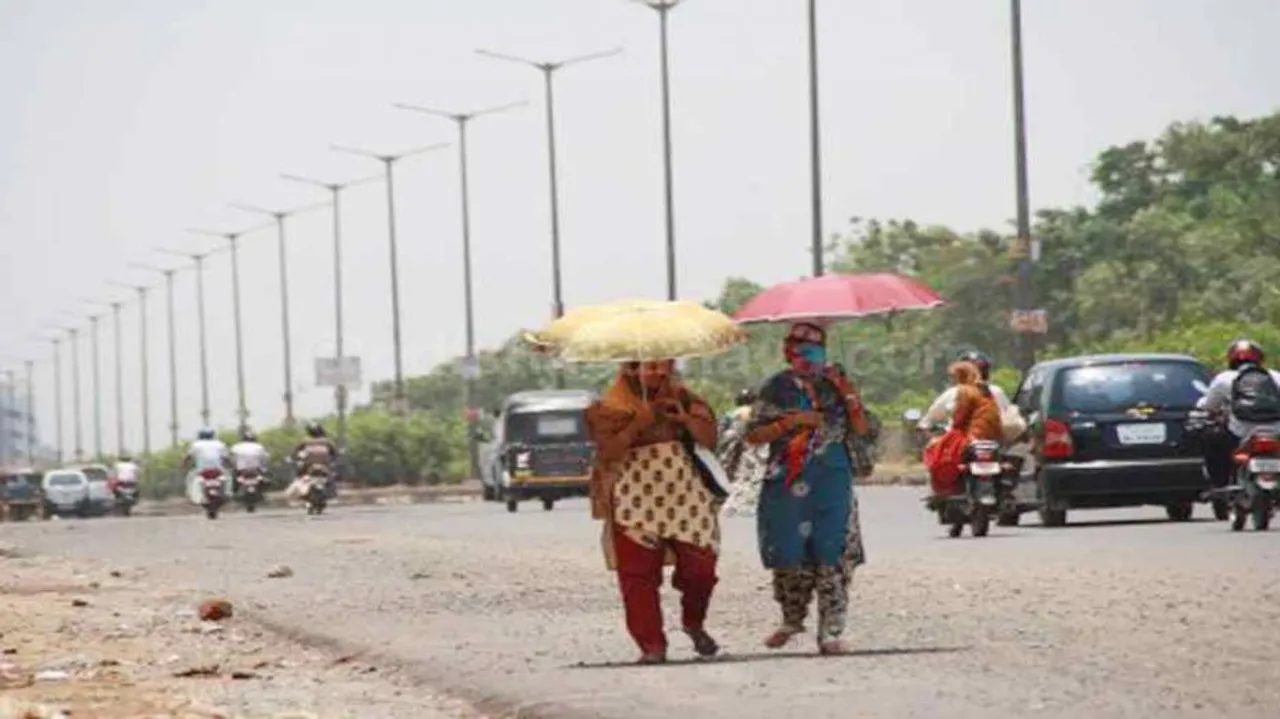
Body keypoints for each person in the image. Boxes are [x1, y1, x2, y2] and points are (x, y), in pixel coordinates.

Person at [743, 321, 871, 655]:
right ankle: (792, 617)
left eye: (814, 346)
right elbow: (753, 434)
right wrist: (791, 422)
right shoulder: (776, 388)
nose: (806, 353)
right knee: (790, 552)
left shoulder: (836, 385)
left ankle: (831, 630)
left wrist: (847, 393)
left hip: (832, 477)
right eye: (799, 345)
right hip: (789, 480)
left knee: (834, 551)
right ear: (787, 349)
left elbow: (860, 428)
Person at [585, 359, 721, 664]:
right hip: (634, 499)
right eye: (649, 366)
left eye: (664, 366)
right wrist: (639, 423)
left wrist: (686, 420)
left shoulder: (686, 398)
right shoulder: (607, 407)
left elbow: (710, 440)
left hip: (686, 496)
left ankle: (693, 623)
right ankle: (652, 645)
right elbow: (608, 453)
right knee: (638, 576)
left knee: (701, 570)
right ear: (629, 369)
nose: (658, 373)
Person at [1197, 339, 1280, 488]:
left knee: (1213, 438)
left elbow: (1209, 406)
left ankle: (1220, 484)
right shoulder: (1275, 376)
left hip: (1241, 432)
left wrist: (1202, 406)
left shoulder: (1223, 378)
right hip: (1276, 431)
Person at [917, 351, 1011, 432]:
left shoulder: (954, 392)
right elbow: (1010, 418)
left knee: (932, 450)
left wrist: (924, 425)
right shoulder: (996, 391)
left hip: (961, 442)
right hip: (993, 441)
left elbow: (930, 419)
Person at [288, 422, 340, 498]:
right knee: (331, 475)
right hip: (323, 464)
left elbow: (295, 452)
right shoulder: (327, 441)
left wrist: (294, 458)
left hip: (309, 465)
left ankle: (300, 491)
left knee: (299, 475)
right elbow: (335, 453)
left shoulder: (305, 441)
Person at [184, 428, 231, 504]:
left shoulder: (195, 444)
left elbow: (187, 457)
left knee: (190, 478)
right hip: (217, 470)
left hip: (202, 470)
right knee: (228, 477)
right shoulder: (220, 444)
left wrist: (185, 465)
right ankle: (228, 493)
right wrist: (229, 466)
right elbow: (226, 458)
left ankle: (192, 496)